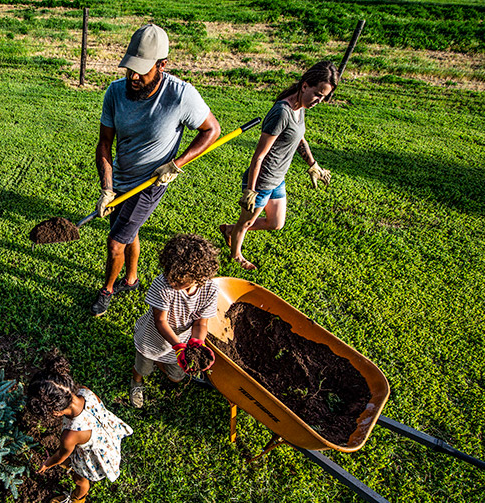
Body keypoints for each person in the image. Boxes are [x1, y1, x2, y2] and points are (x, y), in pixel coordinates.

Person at [90, 24, 221, 317]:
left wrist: (176, 163)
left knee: (115, 243)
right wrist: (107, 187)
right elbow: (104, 143)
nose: (133, 77)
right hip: (121, 179)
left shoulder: (181, 95)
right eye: (129, 69)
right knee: (127, 231)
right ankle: (132, 280)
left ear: (162, 64)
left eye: (141, 70)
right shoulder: (114, 93)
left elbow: (212, 130)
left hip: (150, 184)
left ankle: (107, 290)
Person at [219, 61, 339, 271]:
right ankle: (236, 254)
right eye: (318, 94)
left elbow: (300, 138)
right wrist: (251, 190)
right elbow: (259, 155)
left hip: (278, 178)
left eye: (323, 97)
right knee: (246, 222)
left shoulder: (300, 107)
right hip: (263, 181)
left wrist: (313, 165)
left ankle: (231, 230)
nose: (319, 100)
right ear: (304, 85)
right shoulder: (281, 113)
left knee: (276, 223)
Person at [26, 354, 133, 503]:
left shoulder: (71, 435)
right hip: (105, 433)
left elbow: (62, 455)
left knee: (79, 479)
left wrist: (48, 463)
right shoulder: (84, 391)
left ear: (56, 412)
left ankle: (78, 498)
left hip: (95, 454)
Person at [129, 233, 220, 408]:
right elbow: (160, 321)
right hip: (153, 340)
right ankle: (136, 382)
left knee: (176, 377)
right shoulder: (163, 284)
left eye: (178, 279)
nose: (171, 280)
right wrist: (178, 347)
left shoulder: (210, 290)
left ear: (198, 275)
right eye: (169, 274)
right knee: (142, 369)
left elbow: (201, 323)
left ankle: (161, 363)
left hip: (182, 342)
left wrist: (197, 344)